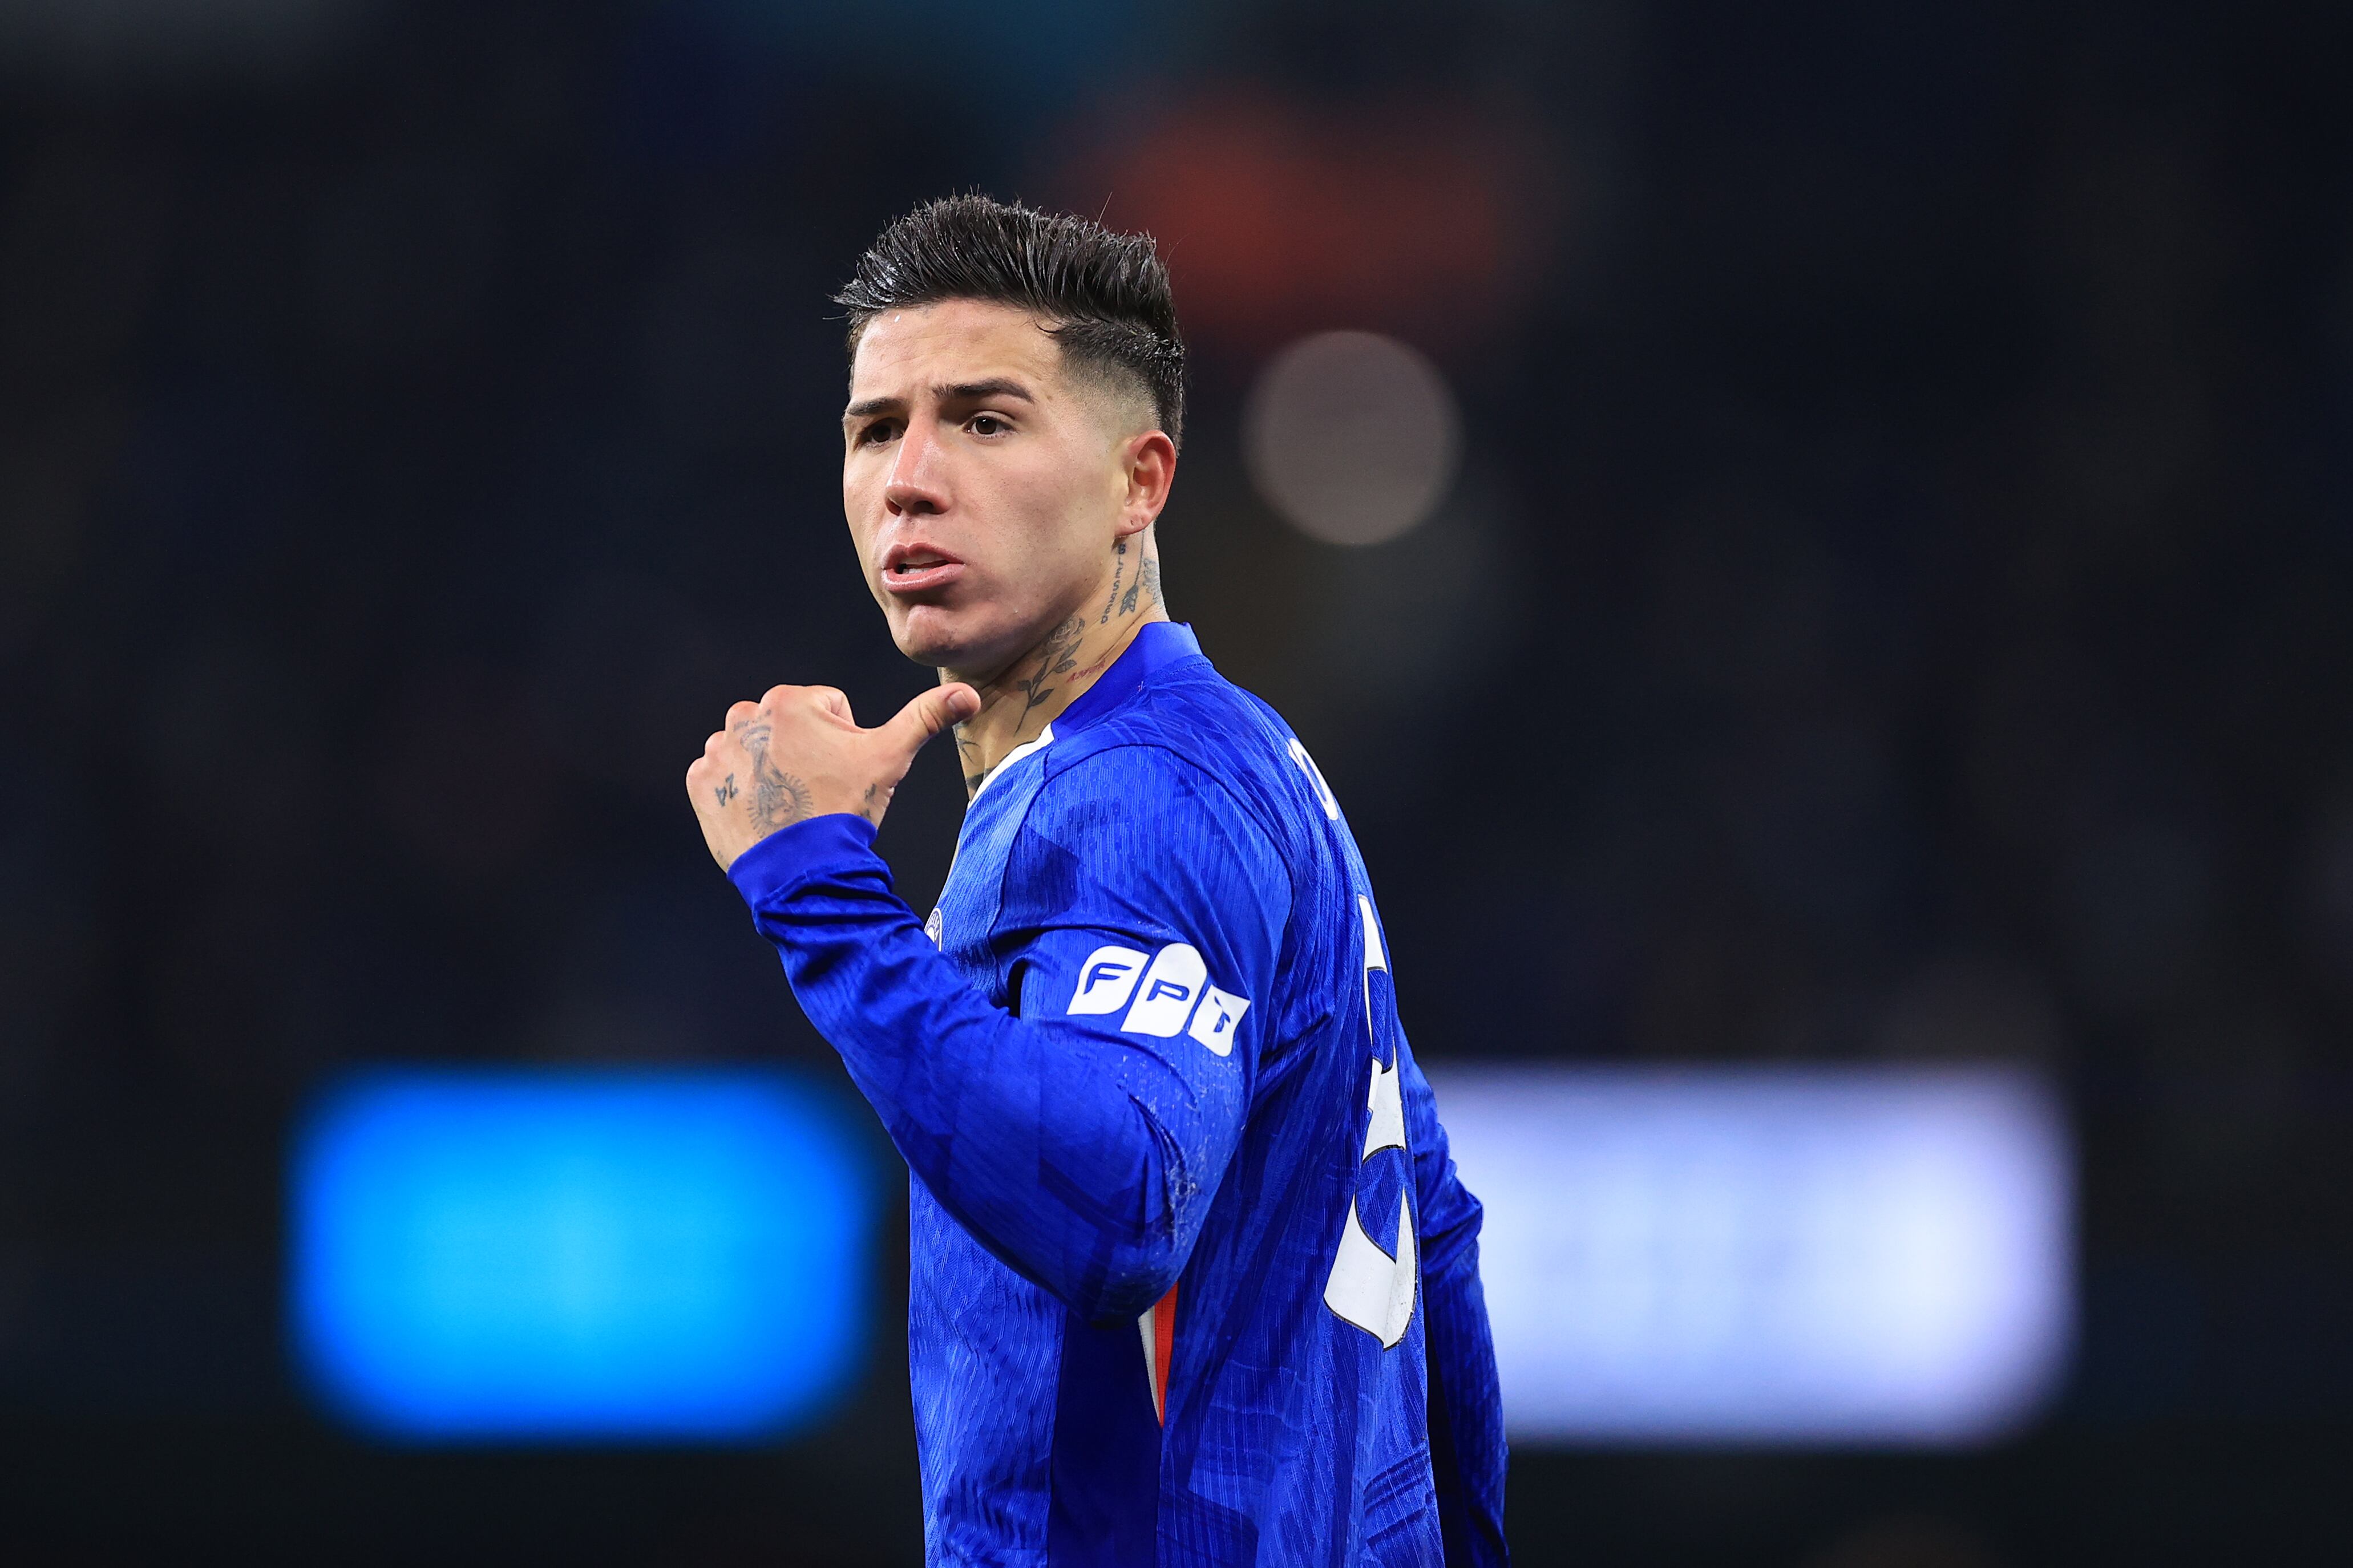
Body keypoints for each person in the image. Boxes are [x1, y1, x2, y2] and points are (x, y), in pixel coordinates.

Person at [685, 195, 1506, 1567]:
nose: (911, 478)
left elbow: (1119, 1201)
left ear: (1140, 481)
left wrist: (815, 884)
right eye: (877, 429)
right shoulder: (1248, 764)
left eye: (986, 420)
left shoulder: (1133, 793)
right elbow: (1441, 1236)